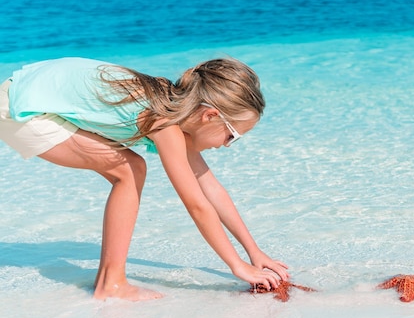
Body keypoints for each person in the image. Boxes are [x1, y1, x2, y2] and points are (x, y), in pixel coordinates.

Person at [0, 57, 289, 301]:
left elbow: (211, 188)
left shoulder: (172, 105)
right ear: (210, 115)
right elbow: (196, 205)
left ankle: (108, 280)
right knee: (129, 169)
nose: (227, 144)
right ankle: (110, 285)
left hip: (26, 93)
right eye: (232, 136)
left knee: (131, 168)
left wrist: (254, 251)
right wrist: (238, 266)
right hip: (22, 109)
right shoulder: (165, 124)